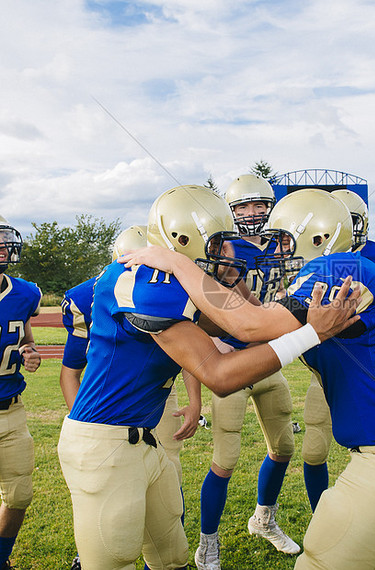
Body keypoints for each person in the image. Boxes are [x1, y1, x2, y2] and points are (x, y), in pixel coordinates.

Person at [124, 189, 375, 569]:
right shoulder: (345, 269)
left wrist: (178, 264)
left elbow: (248, 325)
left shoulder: (337, 269)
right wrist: (228, 281)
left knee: (317, 564)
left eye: (283, 241)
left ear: (318, 239)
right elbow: (256, 315)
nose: (275, 252)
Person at [58, 185, 359, 570]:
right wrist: (311, 333)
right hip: (105, 443)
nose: (227, 252)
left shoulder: (176, 281)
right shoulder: (147, 282)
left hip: (145, 440)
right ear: (182, 240)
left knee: (172, 558)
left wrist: (232, 283)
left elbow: (243, 322)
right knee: (113, 561)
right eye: (218, 244)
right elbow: (219, 374)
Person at [60, 225, 202, 570]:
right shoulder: (97, 295)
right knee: (113, 553)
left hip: (147, 426)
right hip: (108, 428)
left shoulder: (175, 294)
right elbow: (71, 370)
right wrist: (93, 432)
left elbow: (198, 351)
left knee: (171, 547)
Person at [193, 174, 298, 570]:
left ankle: (263, 519)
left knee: (284, 447)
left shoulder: (284, 244)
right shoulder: (220, 246)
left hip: (268, 358)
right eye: (242, 207)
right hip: (233, 359)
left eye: (259, 205)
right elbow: (208, 309)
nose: (251, 214)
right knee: (225, 458)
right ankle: (208, 542)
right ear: (230, 212)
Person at [299, 188, 375, 512]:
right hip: (328, 371)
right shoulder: (311, 263)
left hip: (368, 363)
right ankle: (319, 515)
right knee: (314, 452)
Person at [0, 216, 42, 569]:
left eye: (2, 239)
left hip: (12, 410)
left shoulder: (25, 293)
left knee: (19, 496)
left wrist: (31, 353)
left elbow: (26, 339)